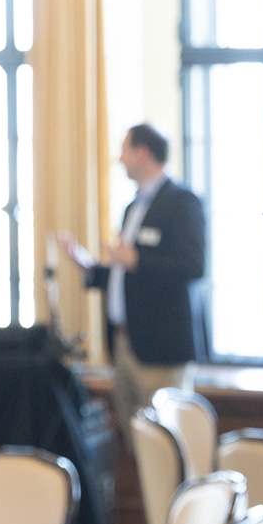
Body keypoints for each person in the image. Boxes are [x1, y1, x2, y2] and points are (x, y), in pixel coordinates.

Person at [60, 123, 206, 427]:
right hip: (125, 343)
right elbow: (127, 274)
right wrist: (91, 268)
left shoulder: (181, 201)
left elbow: (193, 266)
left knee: (166, 442)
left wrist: (137, 260)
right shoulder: (132, 208)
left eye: (124, 150)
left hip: (161, 348)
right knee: (134, 440)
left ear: (142, 153)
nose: (119, 159)